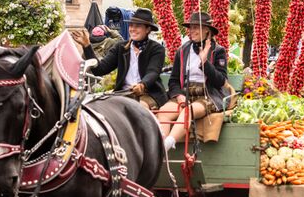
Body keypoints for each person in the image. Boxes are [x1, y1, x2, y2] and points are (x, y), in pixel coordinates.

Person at [159, 11, 228, 150]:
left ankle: (169, 143)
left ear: (207, 30)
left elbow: (221, 81)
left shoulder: (218, 51)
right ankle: (160, 148)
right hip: (185, 93)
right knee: (163, 112)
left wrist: (205, 63)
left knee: (188, 111)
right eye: (191, 27)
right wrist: (178, 95)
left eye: (196, 27)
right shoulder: (183, 50)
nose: (192, 31)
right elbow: (173, 80)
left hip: (208, 94)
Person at [75, 8, 168, 111]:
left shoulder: (157, 49)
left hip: (149, 94)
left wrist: (142, 85)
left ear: (148, 29)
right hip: (123, 94)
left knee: (138, 108)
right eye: (131, 25)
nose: (132, 29)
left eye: (138, 26)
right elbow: (100, 70)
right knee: (97, 109)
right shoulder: (120, 47)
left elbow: (153, 72)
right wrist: (87, 46)